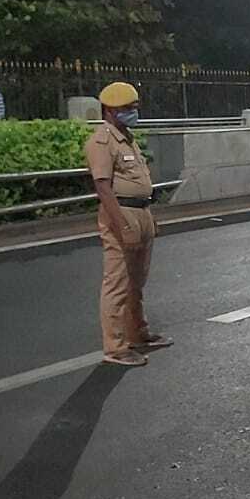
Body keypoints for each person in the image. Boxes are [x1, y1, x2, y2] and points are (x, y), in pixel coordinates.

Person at [85, 81, 173, 367]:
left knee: (137, 280)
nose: (133, 112)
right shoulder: (102, 141)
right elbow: (103, 187)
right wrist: (122, 224)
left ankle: (137, 333)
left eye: (134, 107)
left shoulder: (127, 137)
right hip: (121, 213)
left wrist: (148, 217)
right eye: (128, 108)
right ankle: (115, 347)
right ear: (111, 110)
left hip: (140, 211)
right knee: (118, 282)